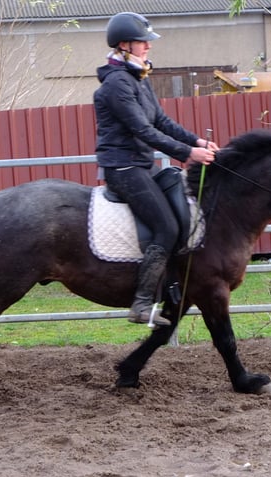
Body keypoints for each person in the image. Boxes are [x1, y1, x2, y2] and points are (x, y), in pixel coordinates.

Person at [93, 11, 219, 327]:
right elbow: (143, 132)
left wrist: (197, 141)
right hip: (123, 168)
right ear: (124, 45)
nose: (148, 46)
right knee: (166, 226)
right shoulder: (116, 85)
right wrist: (189, 153)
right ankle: (141, 302)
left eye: (148, 41)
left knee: (178, 213)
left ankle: (171, 284)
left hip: (141, 166)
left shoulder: (138, 78)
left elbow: (161, 122)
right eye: (142, 41)